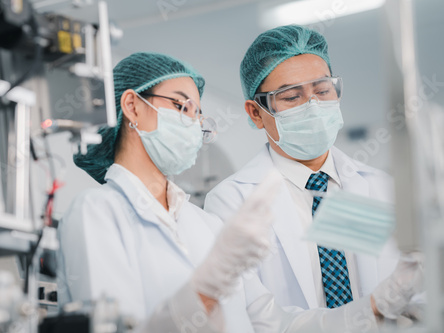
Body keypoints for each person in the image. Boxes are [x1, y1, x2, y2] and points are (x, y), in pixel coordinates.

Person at [57, 51, 423, 333]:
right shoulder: (96, 212)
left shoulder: (202, 224)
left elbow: (260, 324)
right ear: (133, 105)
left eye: (199, 113)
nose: (193, 122)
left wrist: (385, 305)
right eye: (182, 105)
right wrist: (205, 289)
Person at [204, 25, 417, 318]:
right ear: (256, 113)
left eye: (322, 90)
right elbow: (257, 317)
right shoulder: (231, 202)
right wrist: (370, 311)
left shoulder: (380, 187)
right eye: (292, 97)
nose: (313, 107)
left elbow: (415, 290)